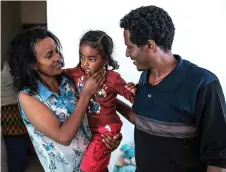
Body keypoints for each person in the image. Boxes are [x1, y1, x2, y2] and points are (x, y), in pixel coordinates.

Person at [117, 5, 226, 172]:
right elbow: (144, 122)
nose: (127, 53)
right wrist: (112, 101)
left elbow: (217, 160)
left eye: (130, 47)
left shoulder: (203, 85)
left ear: (150, 45)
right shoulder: (144, 78)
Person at [7, 27, 122, 172]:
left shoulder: (68, 80)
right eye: (49, 55)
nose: (58, 57)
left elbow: (102, 101)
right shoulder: (28, 97)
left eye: (56, 50)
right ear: (33, 64)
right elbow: (63, 137)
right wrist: (86, 94)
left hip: (96, 165)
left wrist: (109, 137)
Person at [64, 30, 135, 172]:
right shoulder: (77, 73)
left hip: (105, 132)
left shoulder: (112, 78)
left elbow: (132, 97)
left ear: (105, 60)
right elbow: (59, 74)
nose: (84, 64)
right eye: (82, 57)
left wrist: (134, 90)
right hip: (87, 129)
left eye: (91, 59)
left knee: (89, 168)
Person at [1, 62, 29, 172]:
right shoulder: (11, 69)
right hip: (10, 110)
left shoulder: (8, 68)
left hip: (8, 110)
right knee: (16, 142)